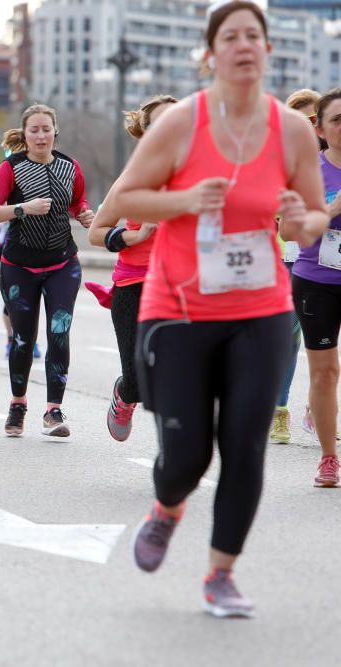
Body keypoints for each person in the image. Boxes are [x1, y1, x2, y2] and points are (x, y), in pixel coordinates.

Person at [111, 1, 327, 617]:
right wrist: (180, 203)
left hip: (259, 309)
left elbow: (311, 222)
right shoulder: (182, 123)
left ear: (268, 50)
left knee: (245, 443)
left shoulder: (289, 131)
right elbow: (125, 199)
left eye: (253, 35)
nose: (242, 45)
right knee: (186, 456)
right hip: (177, 307)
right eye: (229, 36)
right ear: (210, 53)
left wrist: (298, 219)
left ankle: (220, 574)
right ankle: (167, 506)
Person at [0, 104, 95, 438]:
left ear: (55, 131)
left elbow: (78, 202)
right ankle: (18, 404)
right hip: (19, 266)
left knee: (59, 332)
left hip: (62, 263)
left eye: (47, 129)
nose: (41, 135)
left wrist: (85, 215)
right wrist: (21, 209)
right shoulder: (10, 168)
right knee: (23, 339)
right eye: (35, 130)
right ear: (25, 134)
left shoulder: (70, 166)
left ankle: (53, 410)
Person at [88, 95, 178, 442]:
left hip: (180, 286)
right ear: (146, 133)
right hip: (134, 286)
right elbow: (96, 231)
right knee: (139, 380)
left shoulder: (198, 178)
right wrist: (133, 235)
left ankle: (173, 458)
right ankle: (125, 395)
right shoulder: (133, 180)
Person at [292, 87, 341, 487]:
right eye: (336, 120)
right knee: (325, 372)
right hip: (317, 280)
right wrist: (332, 208)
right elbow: (290, 229)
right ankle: (328, 457)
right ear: (321, 128)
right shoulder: (307, 170)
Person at [273, 88, 319, 444]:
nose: (313, 127)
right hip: (286, 259)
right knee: (288, 340)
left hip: (327, 261)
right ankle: (279, 410)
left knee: (326, 344)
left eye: (318, 120)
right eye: (305, 120)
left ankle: (317, 407)